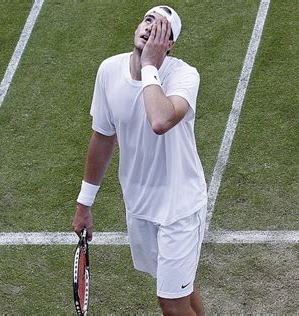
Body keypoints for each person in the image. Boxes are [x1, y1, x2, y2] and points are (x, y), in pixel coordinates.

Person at [72, 5, 207, 315]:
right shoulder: (108, 71)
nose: (151, 29)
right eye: (148, 21)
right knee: (178, 287)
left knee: (171, 302)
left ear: (169, 45)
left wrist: (149, 66)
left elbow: (160, 120)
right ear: (137, 27)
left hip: (180, 207)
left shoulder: (184, 76)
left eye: (162, 29)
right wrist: (84, 203)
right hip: (140, 207)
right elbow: (103, 137)